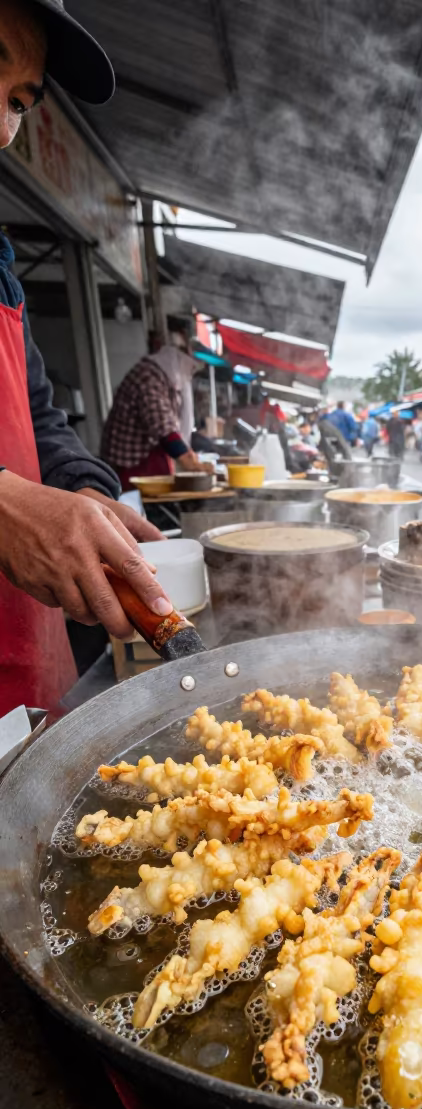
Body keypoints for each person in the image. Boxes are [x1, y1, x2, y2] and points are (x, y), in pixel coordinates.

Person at [0, 0, 169, 717]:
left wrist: (83, 489)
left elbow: (38, 415)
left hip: (24, 674)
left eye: (15, 101)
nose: (1, 128)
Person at [101, 331, 204, 489]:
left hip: (146, 454)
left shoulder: (164, 379)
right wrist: (186, 458)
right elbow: (163, 425)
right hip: (130, 462)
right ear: (175, 362)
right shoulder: (148, 377)